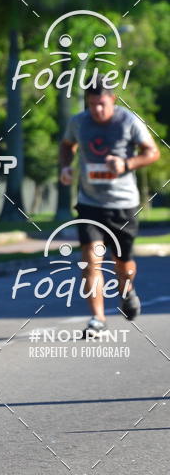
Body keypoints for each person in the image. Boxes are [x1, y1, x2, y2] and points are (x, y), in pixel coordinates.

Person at [60, 81, 159, 337]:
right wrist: (66, 167)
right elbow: (66, 145)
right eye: (91, 105)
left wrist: (126, 164)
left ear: (112, 99)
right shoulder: (79, 122)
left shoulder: (128, 121)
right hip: (89, 203)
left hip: (123, 204)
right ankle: (98, 318)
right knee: (91, 260)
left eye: (101, 104)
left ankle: (127, 291)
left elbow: (152, 152)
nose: (96, 110)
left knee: (123, 264)